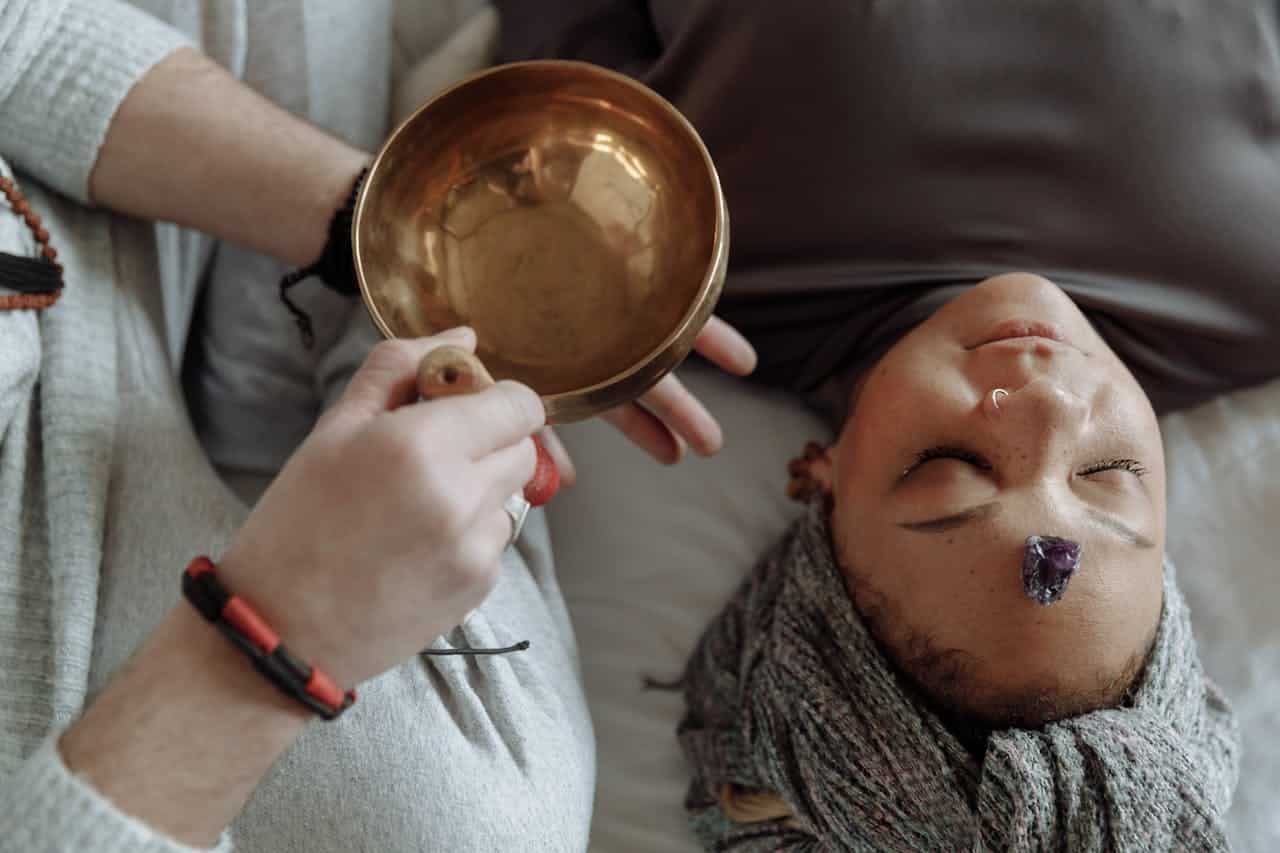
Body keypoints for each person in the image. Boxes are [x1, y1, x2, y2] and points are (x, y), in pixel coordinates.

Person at [496, 0, 1275, 848]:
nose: (1051, 406)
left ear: (818, 479)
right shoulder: (1260, 296)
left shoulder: (655, 239)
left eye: (952, 468)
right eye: (1110, 475)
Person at [0, 2, 754, 851]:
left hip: (93, 252)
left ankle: (331, 334)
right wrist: (261, 644)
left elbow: (22, 38)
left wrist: (389, 237)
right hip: (86, 689)